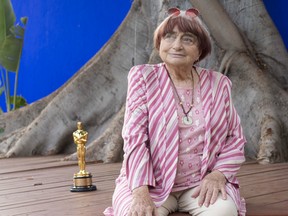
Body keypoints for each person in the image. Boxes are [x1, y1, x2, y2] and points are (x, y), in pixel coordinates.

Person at [104, 7, 246, 216]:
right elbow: (135, 138)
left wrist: (218, 175)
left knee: (223, 212)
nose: (177, 45)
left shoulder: (218, 84)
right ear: (159, 44)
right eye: (169, 37)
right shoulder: (143, 77)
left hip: (200, 183)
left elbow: (235, 137)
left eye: (188, 39)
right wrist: (141, 192)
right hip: (150, 184)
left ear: (200, 50)